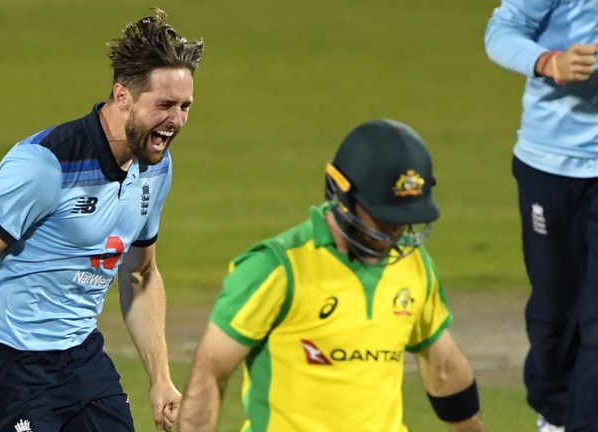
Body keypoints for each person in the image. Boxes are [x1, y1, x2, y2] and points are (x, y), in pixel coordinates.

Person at [0, 9, 203, 432]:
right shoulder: (47, 165)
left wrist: (161, 380)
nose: (177, 120)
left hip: (80, 357)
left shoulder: (155, 167)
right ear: (122, 97)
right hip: (7, 366)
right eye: (164, 105)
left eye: (185, 106)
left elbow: (139, 275)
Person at [178, 120, 485, 432]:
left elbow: (444, 368)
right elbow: (210, 370)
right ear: (340, 193)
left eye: (405, 220)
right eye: (383, 218)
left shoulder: (413, 265)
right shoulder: (277, 267)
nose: (393, 234)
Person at [485, 2, 598, 430]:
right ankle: (553, 417)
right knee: (553, 316)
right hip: (550, 164)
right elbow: (502, 31)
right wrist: (549, 61)